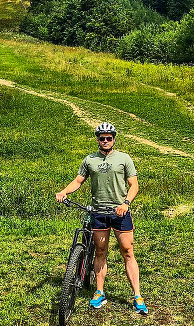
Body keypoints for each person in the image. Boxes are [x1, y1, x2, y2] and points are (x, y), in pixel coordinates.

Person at [55, 122, 148, 315]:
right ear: (97, 139)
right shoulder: (89, 160)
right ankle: (99, 292)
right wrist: (64, 191)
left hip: (120, 212)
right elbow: (78, 180)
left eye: (109, 138)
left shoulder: (124, 158)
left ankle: (137, 296)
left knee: (128, 251)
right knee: (100, 252)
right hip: (98, 212)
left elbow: (134, 185)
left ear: (114, 139)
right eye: (101, 138)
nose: (105, 141)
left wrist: (126, 203)